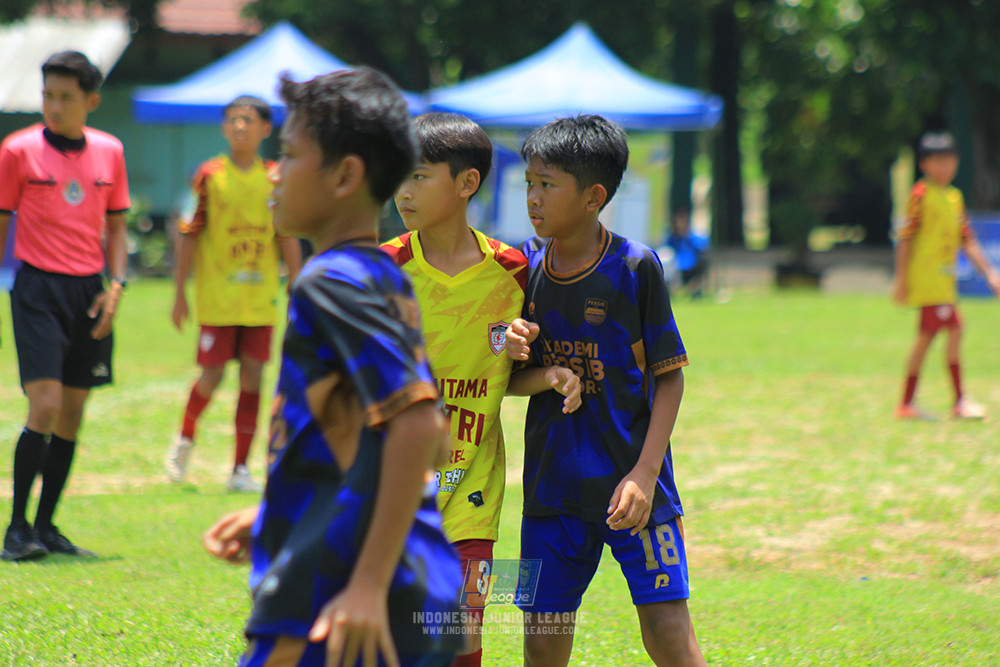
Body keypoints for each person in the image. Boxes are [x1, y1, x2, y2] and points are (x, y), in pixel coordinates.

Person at [202, 68, 463, 667]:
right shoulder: (382, 276)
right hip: (408, 575)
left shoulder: (329, 281)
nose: (274, 171)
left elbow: (421, 426)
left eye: (289, 155)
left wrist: (367, 584)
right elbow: (367, 430)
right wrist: (283, 507)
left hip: (339, 589)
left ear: (346, 175)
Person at [505, 115, 707, 666]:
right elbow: (503, 371)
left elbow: (670, 374)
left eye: (547, 185)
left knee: (668, 631)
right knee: (543, 640)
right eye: (529, 183)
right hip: (552, 490)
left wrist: (645, 474)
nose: (533, 198)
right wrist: (526, 357)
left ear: (594, 196)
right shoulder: (522, 267)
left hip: (634, 486)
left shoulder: (635, 267)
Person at [382, 112, 581, 667]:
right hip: (394, 487)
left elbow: (508, 372)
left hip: (472, 484)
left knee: (462, 636)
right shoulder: (384, 269)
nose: (402, 191)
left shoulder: (513, 272)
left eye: (418, 176)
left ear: (466, 183)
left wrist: (546, 373)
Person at [0, 51, 129, 562]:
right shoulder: (17, 151)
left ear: (91, 102)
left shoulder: (110, 152)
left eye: (66, 97)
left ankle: (47, 526)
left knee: (73, 414)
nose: (54, 107)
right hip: (37, 288)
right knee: (46, 405)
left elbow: (117, 226)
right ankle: (14, 529)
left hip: (90, 290)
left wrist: (116, 285)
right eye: (48, 95)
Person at [165, 95, 302, 492]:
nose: (240, 127)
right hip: (218, 300)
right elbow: (189, 236)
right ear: (224, 128)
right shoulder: (209, 176)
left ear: (264, 128)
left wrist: (298, 280)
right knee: (211, 376)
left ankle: (240, 469)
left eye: (248, 120)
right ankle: (185, 439)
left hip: (260, 301)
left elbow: (286, 232)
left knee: (254, 377)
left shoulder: (276, 177)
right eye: (233, 120)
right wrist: (179, 293)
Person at [893, 131, 1000, 421]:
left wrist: (990, 273)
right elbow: (906, 237)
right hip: (928, 283)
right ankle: (953, 401)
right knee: (946, 332)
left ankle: (915, 402)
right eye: (938, 161)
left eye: (950, 160)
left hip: (944, 283)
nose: (945, 166)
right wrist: (901, 279)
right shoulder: (921, 195)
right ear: (925, 164)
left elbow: (967, 240)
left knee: (937, 335)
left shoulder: (954, 198)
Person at [665, 207, 709, 298]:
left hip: (692, 266)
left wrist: (686, 236)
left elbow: (702, 245)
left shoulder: (692, 237)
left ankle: (695, 289)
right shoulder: (673, 239)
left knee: (704, 261)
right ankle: (670, 290)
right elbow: (665, 248)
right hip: (677, 267)